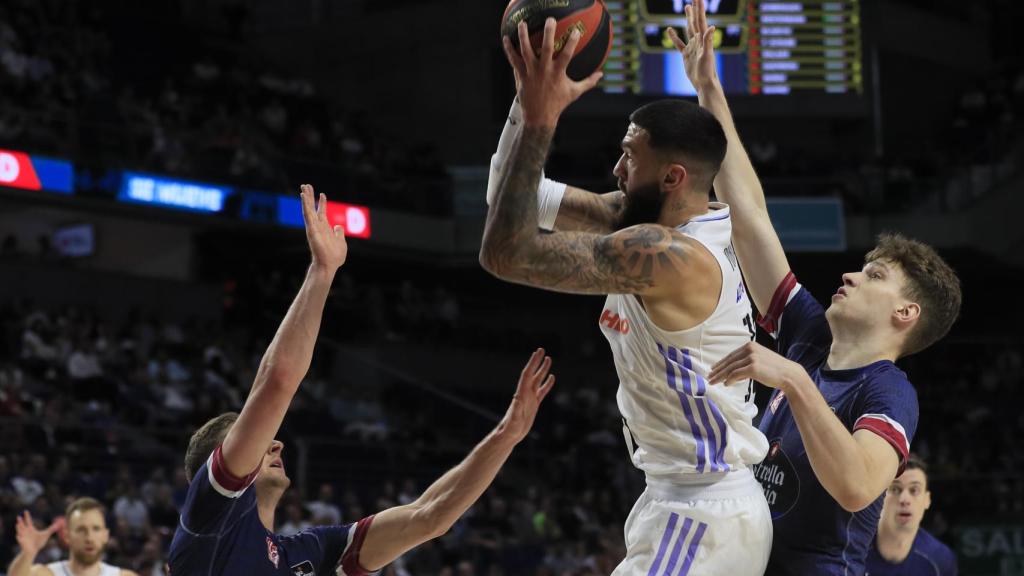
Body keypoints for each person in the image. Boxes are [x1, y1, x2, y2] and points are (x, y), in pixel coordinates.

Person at [672, 1, 962, 574]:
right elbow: (749, 216)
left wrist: (791, 378)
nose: (851, 275)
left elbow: (856, 486)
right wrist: (709, 92)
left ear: (906, 312)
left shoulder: (889, 392)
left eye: (875, 275)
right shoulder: (810, 334)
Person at [481, 19, 771, 575]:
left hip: (704, 511)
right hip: (681, 499)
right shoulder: (643, 219)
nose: (616, 168)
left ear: (673, 177)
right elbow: (507, 193)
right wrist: (524, 102)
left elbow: (506, 253)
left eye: (630, 156)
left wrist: (545, 120)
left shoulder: (670, 257)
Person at [168, 185, 557, 575]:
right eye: (249, 436)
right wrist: (322, 273)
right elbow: (277, 380)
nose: (274, 440)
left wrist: (507, 433)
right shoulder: (210, 518)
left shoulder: (308, 552)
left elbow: (429, 517)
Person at [865, 455, 957, 575]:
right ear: (878, 497)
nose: (904, 499)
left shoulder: (941, 559)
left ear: (927, 500)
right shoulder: (851, 549)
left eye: (914, 490)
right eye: (895, 489)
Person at [9, 497, 139, 576]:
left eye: (96, 529)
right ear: (66, 536)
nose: (89, 537)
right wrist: (28, 553)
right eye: (81, 530)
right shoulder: (47, 574)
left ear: (105, 535)